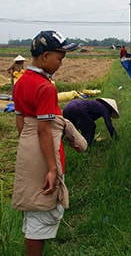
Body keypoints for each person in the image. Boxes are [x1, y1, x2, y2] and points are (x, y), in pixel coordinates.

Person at [11, 30, 79, 255]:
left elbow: (22, 124)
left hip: (29, 151)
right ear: (45, 56)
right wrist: (51, 168)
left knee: (33, 211)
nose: (61, 63)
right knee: (42, 213)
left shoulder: (20, 83)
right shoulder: (46, 87)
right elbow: (43, 131)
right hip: (46, 153)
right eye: (59, 58)